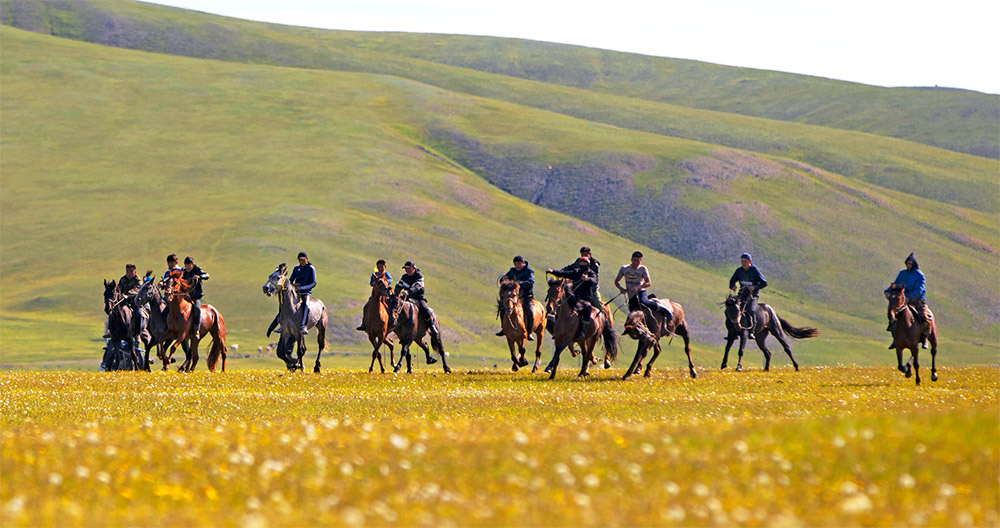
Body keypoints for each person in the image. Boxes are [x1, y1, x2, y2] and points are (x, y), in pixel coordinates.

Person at [884, 252, 932, 349]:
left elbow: (920, 290)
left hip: (917, 301)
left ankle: (924, 338)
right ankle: (895, 339)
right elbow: (896, 284)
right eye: (907, 263)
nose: (908, 265)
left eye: (910, 264)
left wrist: (910, 297)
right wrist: (888, 291)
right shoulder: (902, 274)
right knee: (893, 316)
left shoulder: (920, 275)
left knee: (925, 318)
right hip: (903, 301)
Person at [547, 257, 600, 340]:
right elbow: (564, 273)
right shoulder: (576, 272)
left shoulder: (591, 273)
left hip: (585, 298)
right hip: (575, 297)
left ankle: (582, 330)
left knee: (587, 308)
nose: (582, 264)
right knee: (561, 306)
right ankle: (557, 329)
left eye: (584, 263)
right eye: (581, 263)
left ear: (588, 264)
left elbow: (594, 281)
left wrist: (587, 279)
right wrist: (553, 271)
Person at [614, 251, 671, 321]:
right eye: (634, 260)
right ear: (631, 259)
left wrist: (638, 287)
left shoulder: (643, 269)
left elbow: (648, 283)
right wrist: (621, 289)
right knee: (632, 312)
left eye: (638, 261)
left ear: (641, 261)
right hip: (631, 295)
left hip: (640, 292)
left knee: (644, 302)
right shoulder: (624, 268)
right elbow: (617, 281)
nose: (636, 263)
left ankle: (663, 308)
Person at [495, 255, 536, 340]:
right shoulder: (512, 271)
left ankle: (529, 332)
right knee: (503, 308)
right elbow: (505, 278)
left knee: (529, 311)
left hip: (526, 296)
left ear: (523, 263)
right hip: (514, 296)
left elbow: (531, 282)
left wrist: (519, 283)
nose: (517, 266)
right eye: (515, 264)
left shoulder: (529, 271)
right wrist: (503, 279)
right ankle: (504, 328)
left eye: (519, 264)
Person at [395, 261, 439, 339]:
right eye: (406, 269)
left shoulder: (419, 276)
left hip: (418, 298)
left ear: (413, 268)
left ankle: (431, 327)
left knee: (425, 309)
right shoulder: (404, 277)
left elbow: (417, 287)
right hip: (407, 298)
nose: (407, 270)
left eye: (409, 269)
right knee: (395, 305)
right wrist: (395, 293)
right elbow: (399, 285)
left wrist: (408, 292)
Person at [356, 259, 393, 331]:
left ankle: (392, 322)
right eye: (378, 266)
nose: (380, 268)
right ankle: (364, 324)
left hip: (385, 295)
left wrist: (386, 282)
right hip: (376, 295)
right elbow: (371, 282)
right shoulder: (375, 274)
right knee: (366, 307)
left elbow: (390, 280)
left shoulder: (386, 274)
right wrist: (374, 284)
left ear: (385, 267)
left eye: (382, 266)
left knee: (391, 307)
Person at [728, 252, 767, 318]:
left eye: (745, 261)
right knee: (732, 308)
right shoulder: (739, 271)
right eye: (742, 261)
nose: (743, 263)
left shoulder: (755, 271)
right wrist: (733, 286)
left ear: (750, 261)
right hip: (742, 295)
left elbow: (764, 283)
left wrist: (754, 287)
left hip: (753, 296)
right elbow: (732, 281)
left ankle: (753, 326)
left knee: (751, 310)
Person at [289, 252, 316, 335]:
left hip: (305, 293)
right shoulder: (296, 268)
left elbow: (313, 283)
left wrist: (302, 288)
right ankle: (282, 323)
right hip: (296, 292)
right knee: (286, 303)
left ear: (307, 259)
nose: (301, 262)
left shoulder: (311, 269)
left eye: (303, 260)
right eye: (300, 260)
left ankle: (303, 325)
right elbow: (291, 279)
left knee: (306, 305)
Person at [181, 256, 209, 332]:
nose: (187, 267)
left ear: (193, 265)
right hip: (186, 296)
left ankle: (196, 329)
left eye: (189, 265)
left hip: (196, 296)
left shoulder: (197, 269)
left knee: (197, 308)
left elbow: (207, 276)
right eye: (186, 265)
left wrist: (199, 276)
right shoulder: (183, 271)